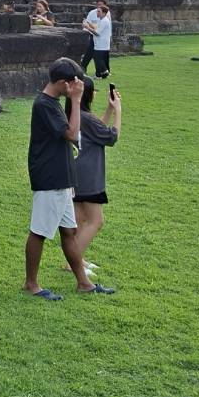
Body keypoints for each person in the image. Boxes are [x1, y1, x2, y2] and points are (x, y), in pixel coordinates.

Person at [24, 57, 115, 300]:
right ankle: (31, 284)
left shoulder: (53, 103)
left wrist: (71, 181)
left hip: (62, 178)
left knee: (69, 232)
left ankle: (84, 283)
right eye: (74, 83)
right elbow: (73, 134)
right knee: (39, 232)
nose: (77, 87)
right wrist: (75, 100)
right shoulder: (44, 104)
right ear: (64, 83)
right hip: (50, 177)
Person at [65, 76, 121, 276]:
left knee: (79, 219)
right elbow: (111, 137)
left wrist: (109, 110)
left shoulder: (74, 114)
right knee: (96, 221)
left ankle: (77, 259)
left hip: (76, 173)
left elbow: (96, 132)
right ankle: (73, 263)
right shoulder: (85, 117)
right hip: (89, 176)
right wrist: (119, 111)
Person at [79, 0, 113, 78]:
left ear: (104, 13)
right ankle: (103, 72)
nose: (97, 13)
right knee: (98, 58)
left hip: (101, 43)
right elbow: (96, 28)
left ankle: (101, 73)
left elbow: (97, 33)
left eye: (99, 12)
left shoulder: (104, 21)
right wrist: (88, 24)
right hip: (99, 43)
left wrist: (88, 27)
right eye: (97, 11)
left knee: (98, 59)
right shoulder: (101, 20)